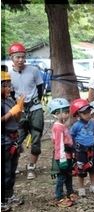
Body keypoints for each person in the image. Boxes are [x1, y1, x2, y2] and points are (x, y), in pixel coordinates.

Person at [8, 42, 44, 180]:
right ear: (12, 57)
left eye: (23, 57)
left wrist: (36, 102)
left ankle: (31, 166)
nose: (21, 60)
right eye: (17, 57)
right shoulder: (9, 74)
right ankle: (13, 165)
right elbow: (10, 93)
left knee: (36, 138)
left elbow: (40, 88)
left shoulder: (34, 70)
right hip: (19, 110)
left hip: (35, 108)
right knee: (17, 138)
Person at [1, 68, 24, 212]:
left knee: (12, 169)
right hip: (3, 139)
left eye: (9, 85)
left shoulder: (9, 99)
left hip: (13, 138)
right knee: (4, 170)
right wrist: (11, 113)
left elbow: (17, 119)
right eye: (5, 85)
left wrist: (19, 109)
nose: (9, 88)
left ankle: (8, 195)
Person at [48, 98, 78, 207]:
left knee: (68, 175)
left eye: (67, 112)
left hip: (67, 154)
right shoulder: (58, 127)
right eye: (64, 112)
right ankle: (59, 197)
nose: (67, 115)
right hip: (62, 156)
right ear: (57, 113)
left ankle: (70, 192)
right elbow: (59, 144)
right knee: (61, 177)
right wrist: (62, 158)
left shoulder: (62, 125)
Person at [70, 98, 94, 196]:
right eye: (84, 113)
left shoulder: (92, 123)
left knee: (92, 169)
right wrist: (73, 149)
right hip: (81, 151)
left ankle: (93, 185)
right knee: (81, 170)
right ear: (78, 114)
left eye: (89, 112)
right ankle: (81, 188)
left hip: (91, 150)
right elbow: (72, 137)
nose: (88, 115)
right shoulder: (76, 126)